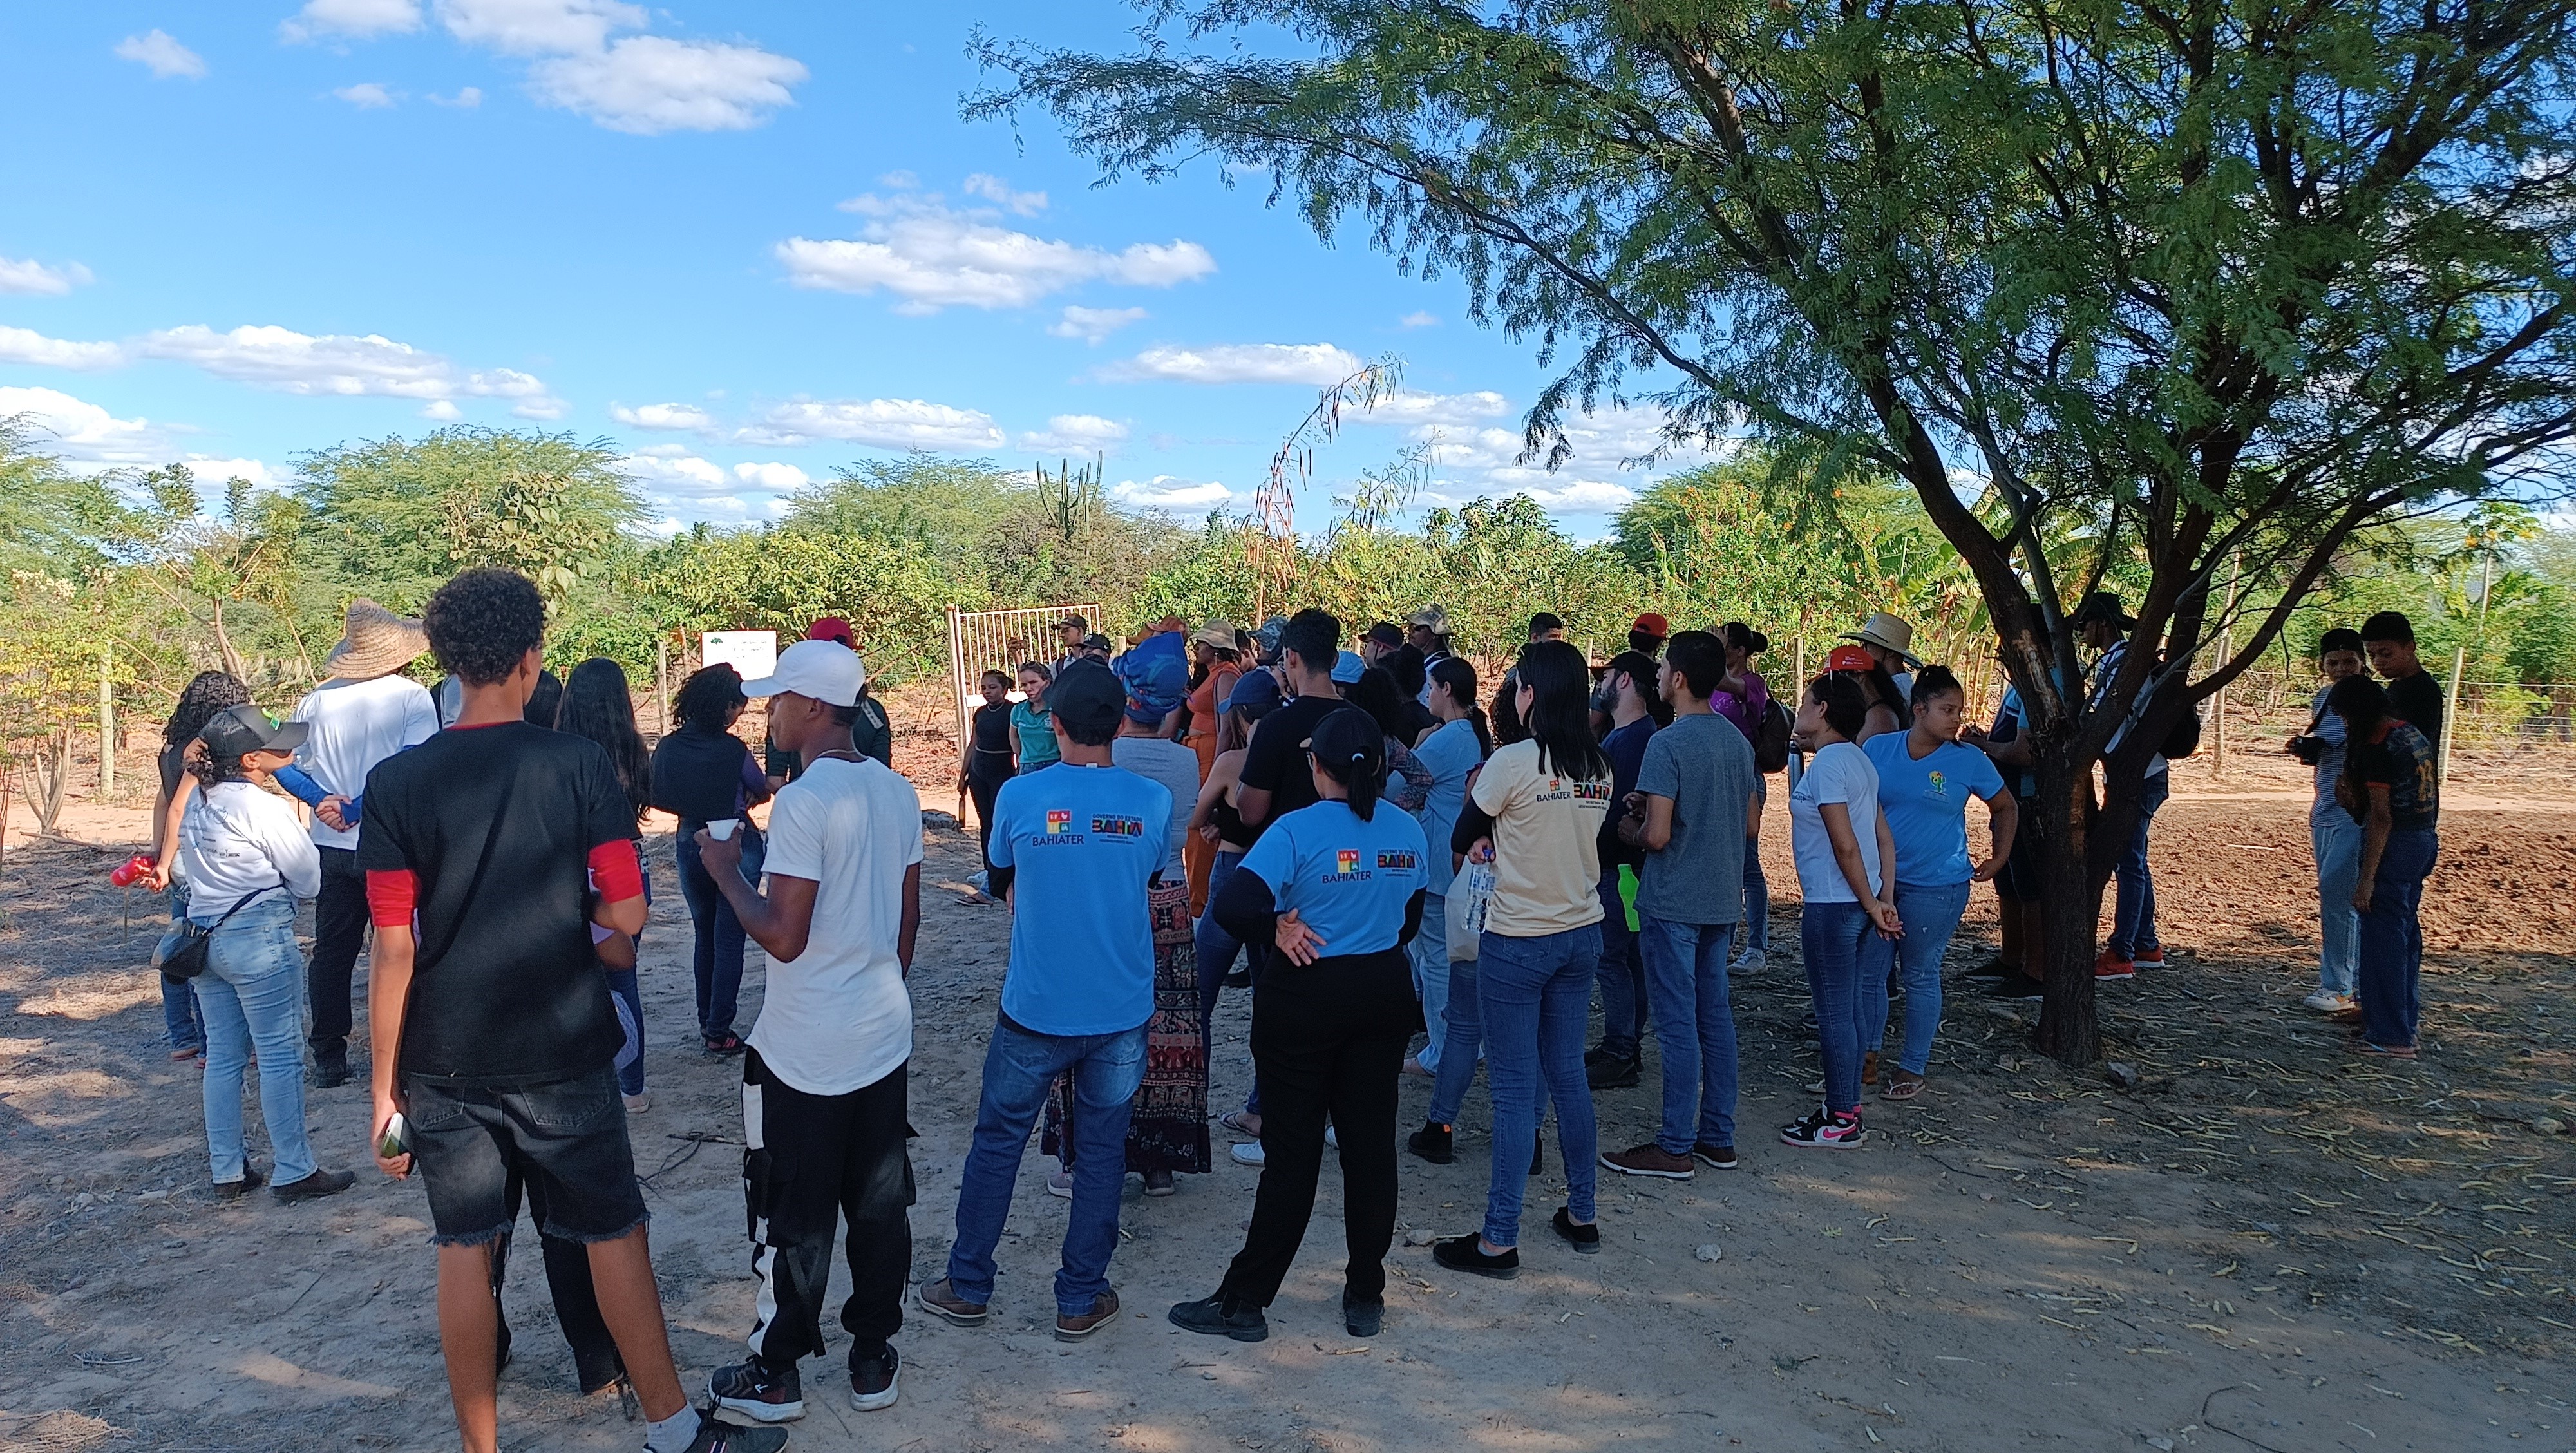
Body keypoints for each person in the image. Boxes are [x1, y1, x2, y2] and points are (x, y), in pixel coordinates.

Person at [360, 569, 777, 1453]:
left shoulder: (395, 785)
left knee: (465, 1246)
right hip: (563, 1048)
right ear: (529, 657)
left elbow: (392, 946)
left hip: (445, 1057)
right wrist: (569, 916)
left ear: (446, 662)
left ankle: (481, 1446)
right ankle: (671, 1431)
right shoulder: (578, 766)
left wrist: (382, 1095)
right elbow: (627, 915)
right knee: (612, 1232)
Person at [683, 640, 923, 1423]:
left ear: (815, 708)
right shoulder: (895, 791)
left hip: (804, 1048)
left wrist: (726, 872)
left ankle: (777, 1371)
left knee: (789, 1209)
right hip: (881, 1034)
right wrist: (872, 988)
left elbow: (783, 935)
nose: (767, 712)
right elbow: (906, 926)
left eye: (779, 699)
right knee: (879, 1202)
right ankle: (871, 1354)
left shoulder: (805, 801)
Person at [918, 664, 1170, 1344]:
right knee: (1101, 1151)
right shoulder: (1150, 800)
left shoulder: (1023, 797)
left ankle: (968, 1284)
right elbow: (1146, 874)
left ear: (1050, 723)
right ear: (1121, 724)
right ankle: (1079, 1297)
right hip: (1118, 1007)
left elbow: (1002, 869)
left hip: (1034, 1005)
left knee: (998, 1142)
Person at [1170, 709, 1430, 1342]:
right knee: (1370, 1151)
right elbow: (1409, 921)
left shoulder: (1297, 830)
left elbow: (1233, 904)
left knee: (1292, 1156)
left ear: (1318, 769)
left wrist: (1277, 927)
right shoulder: (1407, 831)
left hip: (1306, 998)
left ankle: (1246, 1300)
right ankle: (1365, 1293)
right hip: (1381, 992)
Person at [1432, 640, 1609, 1278]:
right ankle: (1582, 1213)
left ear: (1531, 692)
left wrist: (1485, 842)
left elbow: (1461, 834)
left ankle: (1497, 1239)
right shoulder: (1598, 765)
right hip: (1580, 932)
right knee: (1567, 1077)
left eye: (1518, 684)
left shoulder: (1511, 762)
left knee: (1511, 1093)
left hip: (1518, 939)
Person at [176, 704, 354, 1201]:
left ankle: (227, 1170)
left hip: (205, 937)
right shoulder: (263, 808)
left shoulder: (200, 802)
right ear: (252, 760)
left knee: (223, 1057)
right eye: (277, 744)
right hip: (257, 939)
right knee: (279, 1056)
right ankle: (295, 1169)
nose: (287, 748)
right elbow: (309, 879)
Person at [1598, 631, 1759, 1178]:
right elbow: (1751, 824)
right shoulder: (1736, 742)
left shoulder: (1666, 744)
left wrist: (1632, 825)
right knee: (1715, 1017)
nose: (1660, 673)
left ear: (1679, 679)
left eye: (1665, 666)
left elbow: (1660, 837)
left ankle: (1674, 1144)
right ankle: (1718, 1135)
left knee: (1675, 1024)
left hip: (1673, 900)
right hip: (1720, 899)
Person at [1062, 649, 1209, 1197]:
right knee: (1166, 1029)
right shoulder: (1183, 761)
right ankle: (1160, 1162)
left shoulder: (1105, 755)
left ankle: (1087, 1156)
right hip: (1168, 896)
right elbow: (1182, 832)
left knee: (1090, 1022)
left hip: (1105, 894)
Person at [288, 598, 438, 1088]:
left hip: (331, 844)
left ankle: (328, 1055)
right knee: (401, 946)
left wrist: (322, 801)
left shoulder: (315, 699)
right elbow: (414, 763)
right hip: (391, 839)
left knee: (333, 950)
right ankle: (407, 1051)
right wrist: (358, 807)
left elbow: (282, 762)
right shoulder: (412, 697)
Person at [1857, 667, 2018, 1101]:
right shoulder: (1876, 749)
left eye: (1959, 711)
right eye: (1947, 710)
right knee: (1871, 973)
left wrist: (1999, 856)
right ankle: (1865, 1057)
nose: (1956, 720)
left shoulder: (1968, 760)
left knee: (1921, 973)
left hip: (1937, 887)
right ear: (1920, 708)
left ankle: (1913, 1064)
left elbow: (2005, 806)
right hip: (1880, 885)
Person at [1784, 672, 1900, 1148]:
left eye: (1806, 702)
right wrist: (1882, 899)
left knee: (1834, 1013)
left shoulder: (1831, 764)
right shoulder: (1859, 760)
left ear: (1824, 709)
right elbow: (1883, 839)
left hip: (1834, 904)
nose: (1801, 709)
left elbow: (1846, 844)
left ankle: (1841, 1116)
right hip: (1859, 902)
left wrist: (1875, 903)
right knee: (1849, 1009)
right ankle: (1846, 1108)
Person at [652, 665, 775, 1056]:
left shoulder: (670, 747)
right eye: (738, 706)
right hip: (737, 839)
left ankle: (708, 1022)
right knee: (729, 937)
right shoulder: (733, 749)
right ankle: (720, 1027)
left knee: (704, 933)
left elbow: (658, 794)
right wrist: (749, 797)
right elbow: (760, 787)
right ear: (725, 707)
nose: (740, 713)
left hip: (691, 839)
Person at [557, 658, 656, 1110]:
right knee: (624, 974)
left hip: (576, 866)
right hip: (626, 865)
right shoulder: (632, 748)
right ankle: (631, 1084)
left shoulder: (560, 751)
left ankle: (585, 1077)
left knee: (573, 974)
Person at [1190, 672, 1282, 1139]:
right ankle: (1261, 1107)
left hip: (1232, 873)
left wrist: (1217, 824)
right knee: (1271, 1002)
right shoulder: (1297, 761)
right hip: (1277, 884)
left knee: (1200, 993)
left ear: (1241, 717)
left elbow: (1197, 814)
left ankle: (1191, 1100)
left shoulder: (1232, 760)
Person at [2332, 676, 2439, 1058]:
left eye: (2344, 717)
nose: (2344, 725)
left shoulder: (2377, 745)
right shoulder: (2409, 733)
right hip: (2423, 839)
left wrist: (2366, 880)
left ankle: (2390, 1036)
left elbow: (2381, 817)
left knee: (2383, 943)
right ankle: (2403, 1024)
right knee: (2405, 935)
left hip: (2394, 847)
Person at [147, 670, 252, 1061]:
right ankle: (214, 1044)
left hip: (178, 863)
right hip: (200, 857)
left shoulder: (171, 749)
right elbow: (177, 808)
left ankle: (182, 1037)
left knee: (180, 943)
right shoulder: (203, 751)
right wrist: (169, 858)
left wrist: (159, 855)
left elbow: (161, 802)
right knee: (205, 951)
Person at [1961, 623, 2062, 999]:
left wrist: (1982, 745)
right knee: (2011, 878)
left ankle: (2035, 970)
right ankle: (2011, 958)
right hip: (2014, 792)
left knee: (2029, 881)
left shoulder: (2043, 684)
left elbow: (2024, 752)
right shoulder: (2023, 682)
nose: (2002, 651)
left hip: (2028, 794)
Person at [1403, 656, 1490, 1082]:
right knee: (1455, 955)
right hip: (1456, 862)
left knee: (1435, 956)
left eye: (1432, 687)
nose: (1427, 694)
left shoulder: (1446, 739)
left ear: (1448, 690)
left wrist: (1416, 745)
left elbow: (1402, 784)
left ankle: (1443, 1047)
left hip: (1438, 862)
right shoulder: (1470, 734)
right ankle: (1463, 1039)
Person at [2072, 591, 2166, 980]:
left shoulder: (2123, 662)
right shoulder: (2118, 660)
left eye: (2086, 624)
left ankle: (2122, 950)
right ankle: (2146, 943)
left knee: (2129, 862)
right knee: (2135, 858)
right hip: (2138, 771)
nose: (2082, 632)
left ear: (2103, 624)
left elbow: (2117, 717)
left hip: (2137, 773)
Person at [1584, 649, 1665, 1090]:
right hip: (1622, 870)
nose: (1600, 683)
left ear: (1626, 681)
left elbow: (1620, 813)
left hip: (1623, 871)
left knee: (1614, 957)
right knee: (1624, 958)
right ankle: (1623, 1044)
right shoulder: (1627, 736)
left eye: (1607, 675)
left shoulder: (1635, 739)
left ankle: (1621, 1049)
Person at [2285, 630, 2370, 1012]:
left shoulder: (2370, 700)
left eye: (2349, 661)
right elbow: (2328, 744)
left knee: (2341, 897)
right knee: (2333, 896)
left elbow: (2346, 742)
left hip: (2355, 812)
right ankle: (2344, 983)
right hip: (2324, 808)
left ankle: (2340, 986)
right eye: (2333, 662)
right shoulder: (2323, 698)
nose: (2341, 669)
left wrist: (2317, 744)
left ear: (2362, 662)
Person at [1233, 610, 1348, 840]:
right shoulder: (1363, 723)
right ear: (1334, 659)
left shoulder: (1274, 726)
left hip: (1290, 858)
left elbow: (1250, 813)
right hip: (1348, 855)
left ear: (1291, 657)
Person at [1712, 623, 1776, 976]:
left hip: (1745, 780)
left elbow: (1719, 681)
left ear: (1738, 652)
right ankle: (1726, 942)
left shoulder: (1752, 684)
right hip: (1719, 779)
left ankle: (1756, 947)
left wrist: (1709, 649)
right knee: (1724, 864)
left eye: (1724, 644)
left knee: (1748, 865)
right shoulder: (1719, 681)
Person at [766, 618, 891, 781]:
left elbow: (775, 779)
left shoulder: (791, 705)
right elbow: (882, 773)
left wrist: (791, 792)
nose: (769, 707)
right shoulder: (874, 712)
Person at [1182, 620, 1245, 913]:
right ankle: (1198, 895)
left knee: (1202, 818)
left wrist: (1219, 764)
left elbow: (1227, 727)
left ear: (1217, 649)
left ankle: (1202, 899)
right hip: (1199, 749)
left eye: (1202, 643)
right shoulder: (1214, 674)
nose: (1197, 648)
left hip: (1210, 751)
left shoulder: (1226, 676)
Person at [1343, 665, 1435, 813]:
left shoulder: (1346, 733)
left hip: (1343, 810)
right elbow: (1423, 778)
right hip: (1374, 813)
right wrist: (1394, 808)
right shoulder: (1388, 742)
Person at [960, 670, 1018, 872]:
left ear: (1005, 689)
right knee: (985, 824)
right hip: (978, 772)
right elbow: (972, 744)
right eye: (984, 688)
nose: (987, 692)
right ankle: (988, 871)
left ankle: (1003, 869)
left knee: (1000, 824)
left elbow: (1019, 745)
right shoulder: (980, 713)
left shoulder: (1014, 712)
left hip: (1002, 772)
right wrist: (963, 776)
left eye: (992, 687)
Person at [2361, 611, 2443, 741]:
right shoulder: (2398, 685)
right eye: (2372, 655)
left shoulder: (2423, 690)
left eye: (2386, 654)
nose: (2377, 661)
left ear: (2410, 648)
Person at [1826, 643, 1906, 741]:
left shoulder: (1878, 718)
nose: (1832, 687)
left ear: (1860, 676)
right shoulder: (1871, 712)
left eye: (1837, 678)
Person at [1841, 612, 1920, 701]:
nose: (1862, 651)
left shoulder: (1893, 691)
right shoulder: (1900, 686)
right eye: (1861, 644)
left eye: (1866, 645)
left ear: (1890, 652)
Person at [1012, 663, 1060, 773]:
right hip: (1027, 766)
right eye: (1024, 685)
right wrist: (1020, 757)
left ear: (1047, 682)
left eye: (1033, 682)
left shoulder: (1057, 709)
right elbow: (1014, 736)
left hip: (1053, 765)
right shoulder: (1019, 709)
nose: (1028, 688)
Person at [1052, 612, 1091, 676]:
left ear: (1079, 630)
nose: (1062, 635)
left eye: (1066, 631)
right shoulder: (1059, 666)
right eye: (1061, 632)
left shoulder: (1100, 659)